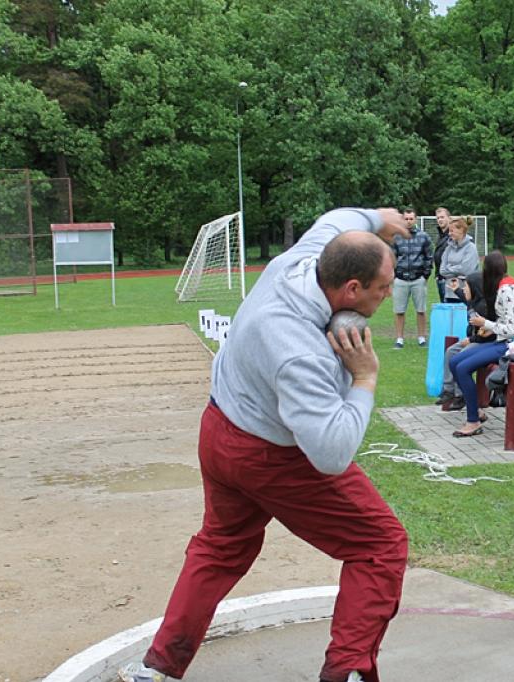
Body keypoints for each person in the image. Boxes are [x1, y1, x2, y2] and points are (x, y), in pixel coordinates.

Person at [118, 208, 411, 682]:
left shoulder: (301, 261)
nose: (387, 293)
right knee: (379, 545)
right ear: (351, 289)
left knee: (221, 546)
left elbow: (336, 220)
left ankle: (157, 669)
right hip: (269, 456)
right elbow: (331, 453)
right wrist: (364, 378)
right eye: (383, 287)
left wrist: (379, 217)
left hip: (219, 430)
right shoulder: (299, 352)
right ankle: (347, 671)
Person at [448, 251, 514, 437]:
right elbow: (507, 322)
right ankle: (475, 410)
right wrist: (490, 329)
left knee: (462, 368)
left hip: (512, 344)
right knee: (455, 362)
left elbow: (511, 329)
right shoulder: (507, 284)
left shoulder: (506, 290)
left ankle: (473, 421)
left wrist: (484, 324)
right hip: (502, 339)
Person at [435, 270, 495, 411]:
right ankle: (449, 391)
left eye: (466, 286)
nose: (464, 289)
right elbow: (464, 297)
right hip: (474, 340)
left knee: (460, 356)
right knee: (451, 351)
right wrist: (456, 290)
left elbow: (489, 333)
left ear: (475, 288)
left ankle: (460, 394)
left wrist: (471, 339)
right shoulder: (473, 301)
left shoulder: (484, 307)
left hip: (484, 344)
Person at [391, 206, 432, 348]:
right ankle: (399, 339)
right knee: (399, 311)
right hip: (401, 278)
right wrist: (395, 274)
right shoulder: (396, 236)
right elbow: (392, 257)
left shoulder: (423, 236)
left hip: (418, 278)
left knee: (421, 310)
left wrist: (425, 274)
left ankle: (421, 337)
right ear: (402, 219)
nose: (408, 221)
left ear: (415, 219)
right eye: (406, 219)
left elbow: (428, 257)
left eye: (411, 219)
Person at [438, 214, 480, 302]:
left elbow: (466, 270)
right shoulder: (448, 248)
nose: (449, 234)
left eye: (452, 231)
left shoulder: (471, 248)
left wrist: (449, 268)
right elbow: (442, 270)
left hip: (466, 293)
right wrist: (457, 271)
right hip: (450, 292)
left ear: (461, 230)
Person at [432, 207, 451, 301]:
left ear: (449, 218)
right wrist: (436, 275)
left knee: (450, 307)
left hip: (449, 279)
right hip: (440, 278)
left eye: (442, 217)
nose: (440, 220)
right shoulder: (441, 236)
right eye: (438, 218)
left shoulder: (453, 234)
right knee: (444, 306)